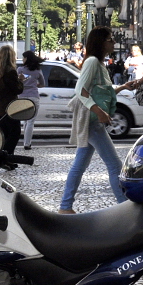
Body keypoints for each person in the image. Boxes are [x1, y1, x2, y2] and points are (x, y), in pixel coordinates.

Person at [58, 27, 132, 214]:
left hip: (94, 120)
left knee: (80, 164)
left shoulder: (99, 64)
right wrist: (98, 111)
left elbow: (101, 93)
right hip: (92, 121)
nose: (113, 42)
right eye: (110, 39)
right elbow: (80, 89)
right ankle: (124, 207)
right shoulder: (91, 62)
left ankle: (65, 206)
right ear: (101, 42)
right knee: (114, 165)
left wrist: (122, 87)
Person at [0, 46, 24, 155]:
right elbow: (17, 90)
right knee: (15, 133)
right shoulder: (10, 72)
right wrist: (21, 80)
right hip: (10, 108)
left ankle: (3, 156)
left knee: (4, 135)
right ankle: (7, 156)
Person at [19, 50, 45, 150]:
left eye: (23, 58)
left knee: (25, 120)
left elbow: (18, 83)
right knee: (30, 121)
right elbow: (42, 84)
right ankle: (27, 144)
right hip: (33, 97)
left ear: (27, 59)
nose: (22, 59)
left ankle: (25, 142)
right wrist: (34, 84)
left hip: (22, 97)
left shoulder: (20, 70)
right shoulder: (37, 71)